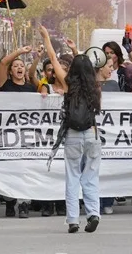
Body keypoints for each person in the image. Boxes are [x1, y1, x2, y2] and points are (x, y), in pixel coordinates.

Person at [42, 25, 101, 234]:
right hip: (92, 134)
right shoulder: (95, 86)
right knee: (91, 176)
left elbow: (52, 57)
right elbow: (85, 66)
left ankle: (73, 219)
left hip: (73, 135)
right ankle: (93, 213)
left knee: (72, 176)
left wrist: (47, 36)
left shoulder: (68, 85)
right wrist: (77, 52)